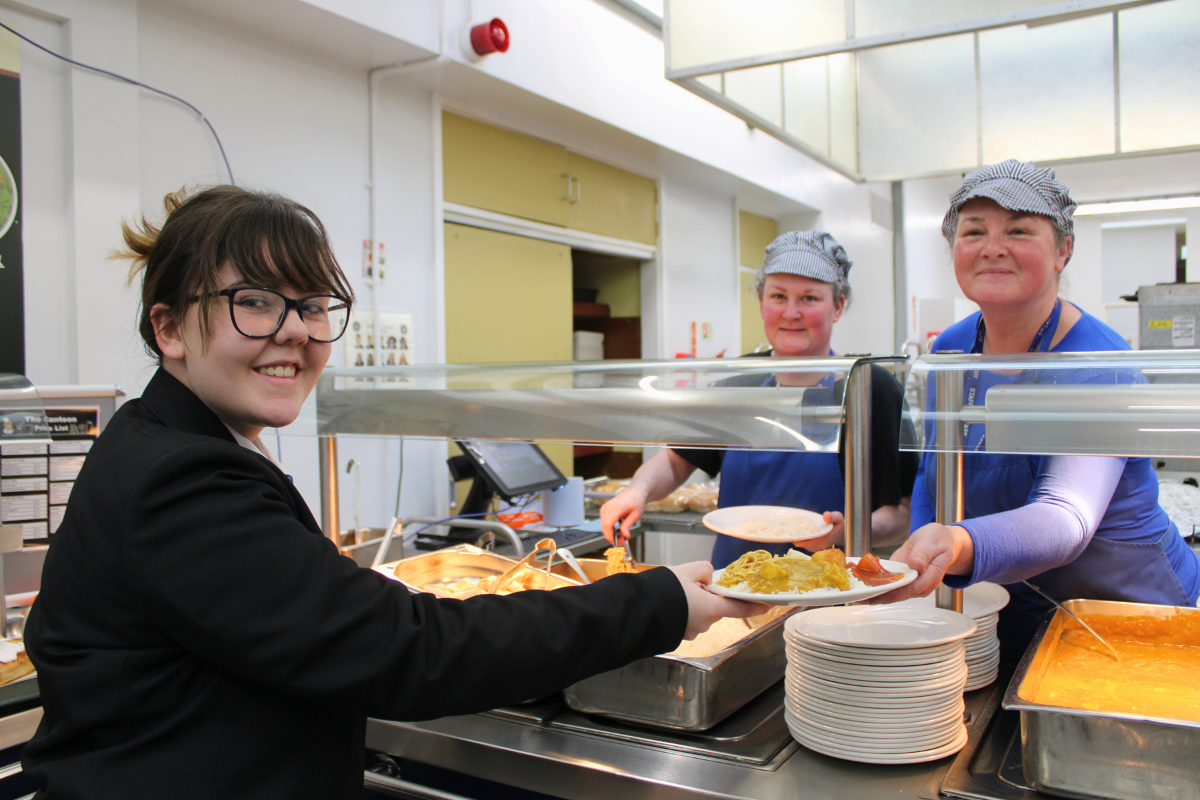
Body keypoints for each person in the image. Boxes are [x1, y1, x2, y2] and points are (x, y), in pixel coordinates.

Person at [22, 186, 763, 799]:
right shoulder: (178, 480)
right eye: (254, 301)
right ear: (169, 327)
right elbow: (409, 651)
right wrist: (661, 602)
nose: (295, 333)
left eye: (312, 306)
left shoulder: (177, 444)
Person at [877, 160, 1200, 658]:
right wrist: (925, 544)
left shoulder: (1099, 364)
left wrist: (958, 545)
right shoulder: (952, 353)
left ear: (1062, 250)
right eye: (974, 231)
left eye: (1019, 230)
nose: (993, 247)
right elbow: (933, 469)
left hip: (1129, 613)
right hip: (1019, 609)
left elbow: (1065, 518)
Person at [601, 231, 919, 568]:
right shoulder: (738, 386)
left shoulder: (871, 390)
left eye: (809, 298)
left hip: (830, 594)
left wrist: (846, 531)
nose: (791, 313)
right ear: (761, 302)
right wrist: (637, 491)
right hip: (735, 586)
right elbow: (675, 461)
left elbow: (902, 514)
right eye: (778, 296)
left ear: (838, 306)